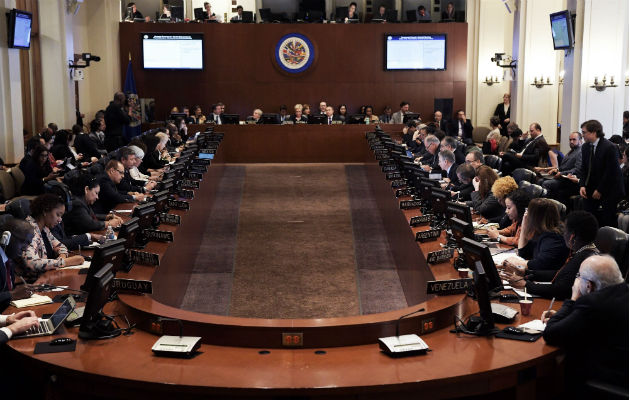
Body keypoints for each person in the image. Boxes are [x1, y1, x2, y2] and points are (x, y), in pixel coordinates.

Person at [542, 255, 628, 395]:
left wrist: (573, 298)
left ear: (589, 285)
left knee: (560, 363)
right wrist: (568, 314)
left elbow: (551, 334)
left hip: (612, 377)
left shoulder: (593, 303)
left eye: (579, 276)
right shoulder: (624, 291)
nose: (576, 280)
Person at [502, 211, 600, 301]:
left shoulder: (583, 259)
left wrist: (526, 285)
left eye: (565, 231)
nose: (563, 234)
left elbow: (561, 289)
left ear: (572, 237)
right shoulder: (586, 251)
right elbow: (561, 274)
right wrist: (526, 273)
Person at [18, 194, 85, 282]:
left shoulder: (45, 229)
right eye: (58, 214)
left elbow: (61, 246)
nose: (60, 219)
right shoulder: (29, 230)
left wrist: (62, 257)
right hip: (32, 284)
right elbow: (31, 263)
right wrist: (65, 262)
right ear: (45, 211)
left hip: (46, 278)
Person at [503, 198, 569, 273]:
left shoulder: (554, 237)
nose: (526, 214)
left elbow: (540, 264)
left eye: (528, 212)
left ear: (535, 216)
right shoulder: (540, 232)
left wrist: (516, 262)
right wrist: (524, 223)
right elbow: (523, 253)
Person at [579, 119, 624, 228]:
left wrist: (600, 190)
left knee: (605, 220)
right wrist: (582, 185)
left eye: (584, 132)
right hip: (591, 187)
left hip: (609, 190)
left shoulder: (609, 147)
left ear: (594, 132)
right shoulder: (585, 147)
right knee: (587, 217)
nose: (582, 135)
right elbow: (584, 168)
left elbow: (611, 172)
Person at [0, 217, 34, 310]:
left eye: (28, 243)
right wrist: (13, 294)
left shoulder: (9, 260)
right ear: (6, 238)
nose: (25, 248)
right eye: (23, 242)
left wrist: (21, 290)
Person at [539, 131, 583, 202]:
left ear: (580, 141)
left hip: (570, 181)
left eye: (574, 139)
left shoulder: (580, 152)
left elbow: (577, 169)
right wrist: (557, 169)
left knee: (546, 184)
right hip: (562, 178)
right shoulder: (571, 151)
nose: (571, 141)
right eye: (570, 139)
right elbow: (564, 167)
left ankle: (548, 207)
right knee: (540, 181)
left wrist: (562, 173)